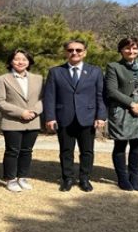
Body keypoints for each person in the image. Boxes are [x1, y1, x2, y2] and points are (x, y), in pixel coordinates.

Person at [44, 39, 107, 192]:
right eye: (71, 50)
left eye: (78, 50)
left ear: (84, 53)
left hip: (88, 117)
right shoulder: (56, 72)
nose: (74, 53)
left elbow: (101, 95)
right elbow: (50, 96)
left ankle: (85, 178)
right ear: (66, 52)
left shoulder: (95, 71)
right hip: (64, 116)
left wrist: (101, 116)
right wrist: (50, 117)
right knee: (66, 151)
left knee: (87, 151)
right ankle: (67, 179)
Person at [104, 37, 138, 191]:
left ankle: (134, 177)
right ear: (121, 50)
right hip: (122, 110)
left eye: (134, 49)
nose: (131, 51)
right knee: (120, 145)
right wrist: (132, 104)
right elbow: (111, 90)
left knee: (137, 146)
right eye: (127, 48)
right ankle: (122, 178)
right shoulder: (113, 66)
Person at [0, 49, 43, 193]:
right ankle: (10, 178)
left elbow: (44, 98)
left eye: (24, 59)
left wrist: (34, 111)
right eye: (17, 59)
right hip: (12, 121)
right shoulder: (2, 79)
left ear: (29, 62)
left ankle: (23, 177)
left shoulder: (38, 78)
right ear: (10, 62)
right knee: (12, 151)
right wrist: (21, 113)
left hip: (33, 120)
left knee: (27, 151)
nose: (20, 62)